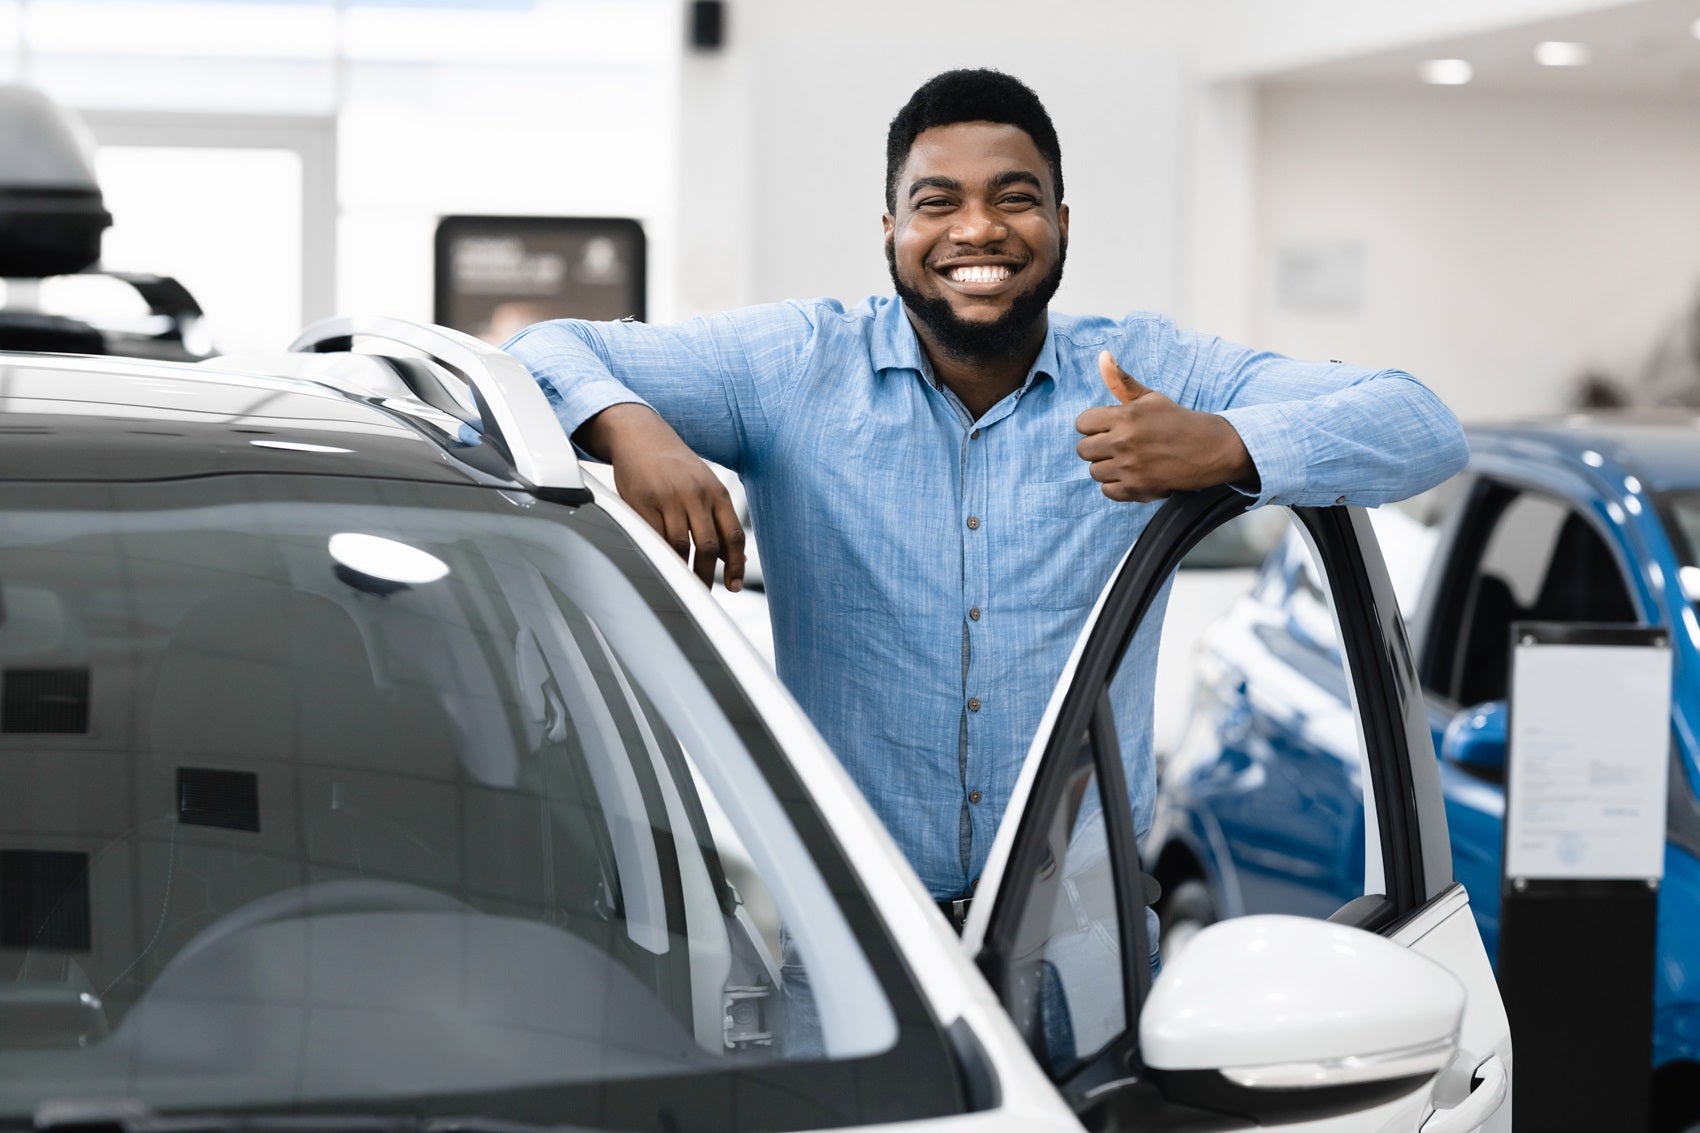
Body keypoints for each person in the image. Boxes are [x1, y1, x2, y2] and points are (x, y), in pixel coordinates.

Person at [504, 67, 1467, 1042]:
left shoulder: (1148, 371)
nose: (977, 230)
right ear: (888, 228)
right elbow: (534, 350)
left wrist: (1222, 446)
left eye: (1013, 198)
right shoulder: (796, 367)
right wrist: (631, 426)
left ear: (1059, 220)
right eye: (937, 203)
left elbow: (1420, 423)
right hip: (852, 960)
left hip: (1090, 971)